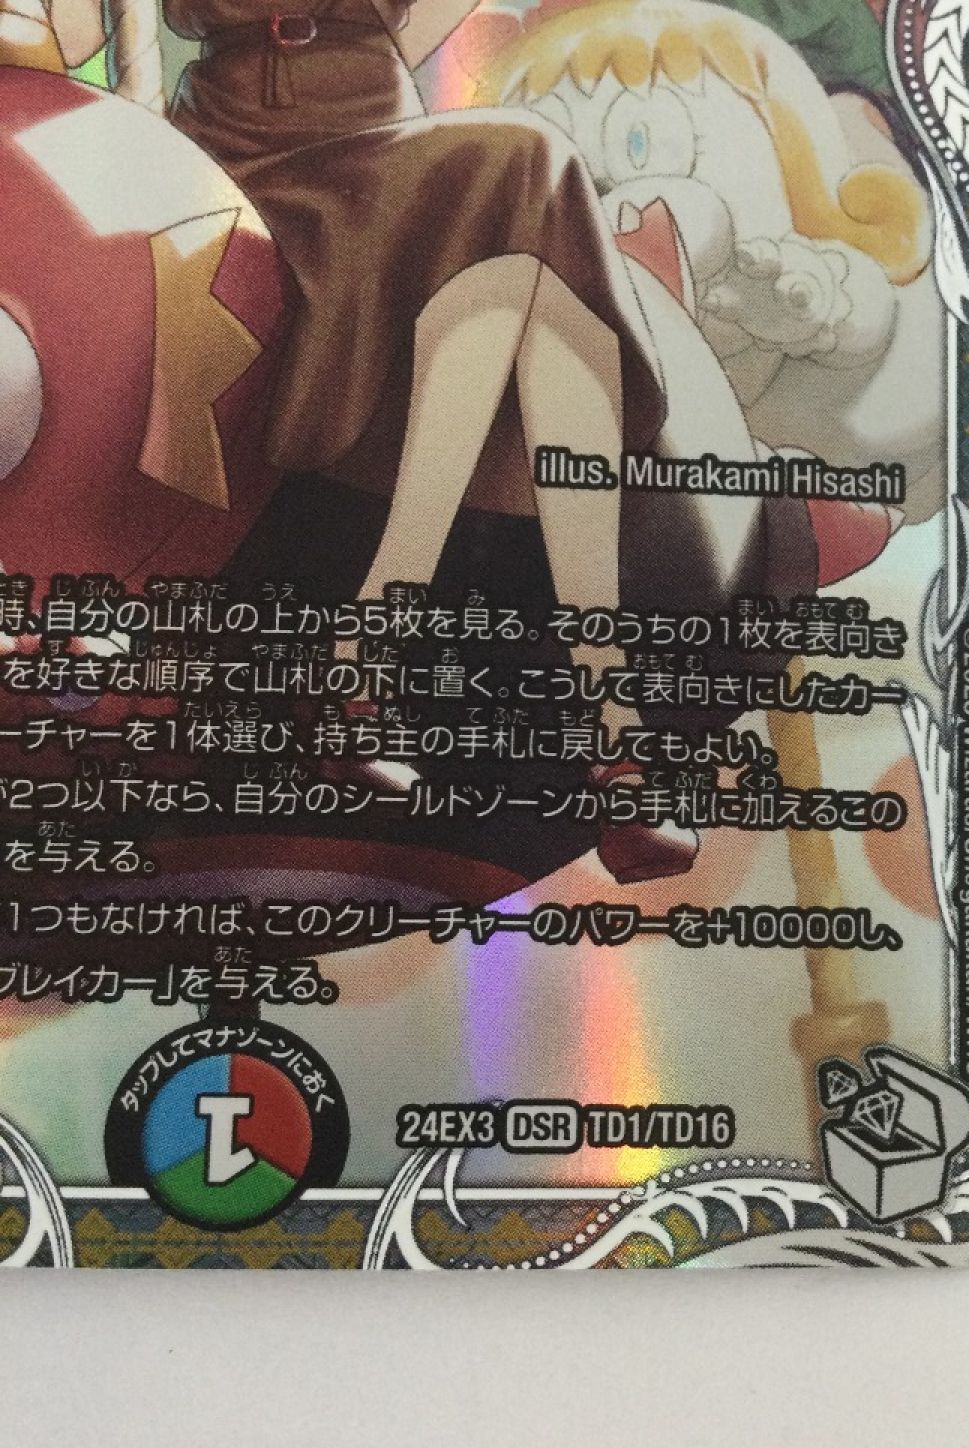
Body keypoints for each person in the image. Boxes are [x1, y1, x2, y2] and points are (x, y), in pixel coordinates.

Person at [41, 0, 692, 880]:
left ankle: (388, 676)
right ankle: (609, 748)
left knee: (517, 288)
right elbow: (106, 39)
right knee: (526, 214)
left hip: (387, 137)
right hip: (238, 159)